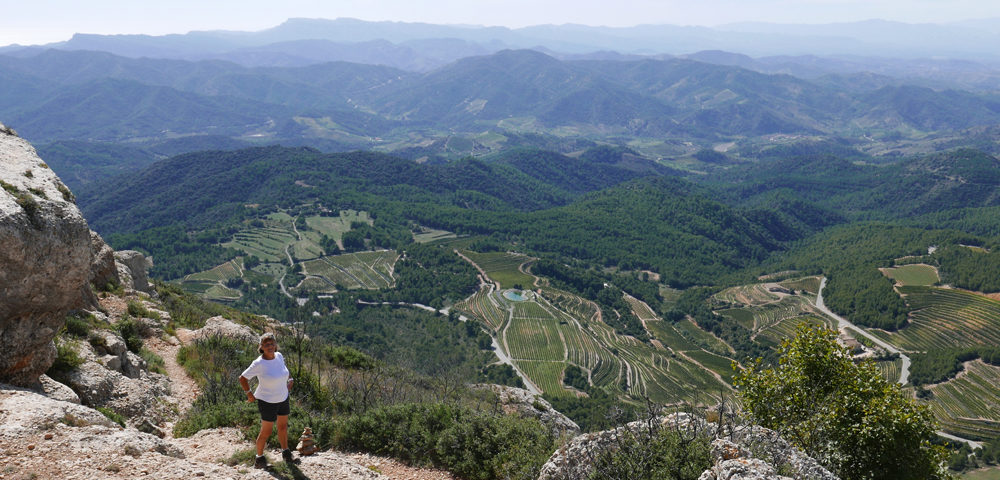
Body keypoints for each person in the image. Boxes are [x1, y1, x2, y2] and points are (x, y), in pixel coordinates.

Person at [239, 332, 295, 469]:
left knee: (282, 427)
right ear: (261, 347)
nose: (270, 346)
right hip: (267, 401)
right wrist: (250, 395)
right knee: (266, 431)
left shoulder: (279, 356)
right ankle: (259, 458)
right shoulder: (259, 363)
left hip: (283, 398)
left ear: (275, 345)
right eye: (266, 344)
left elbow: (284, 371)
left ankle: (286, 453)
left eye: (272, 343)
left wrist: (290, 381)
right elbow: (243, 378)